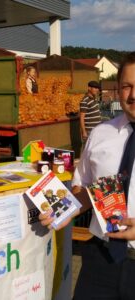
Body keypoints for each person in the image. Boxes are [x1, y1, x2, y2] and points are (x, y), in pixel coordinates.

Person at [39, 52, 135, 300]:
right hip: (99, 259)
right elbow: (85, 191)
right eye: (127, 86)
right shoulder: (101, 134)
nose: (133, 95)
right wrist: (59, 210)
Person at [79, 80, 101, 144]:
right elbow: (81, 118)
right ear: (89, 88)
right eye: (95, 88)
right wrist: (84, 132)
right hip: (89, 131)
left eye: (97, 88)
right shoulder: (85, 101)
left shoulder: (94, 99)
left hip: (96, 130)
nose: (97, 90)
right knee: (88, 150)